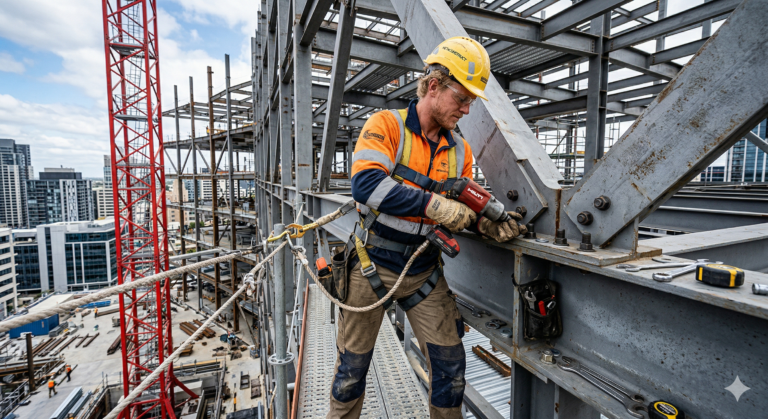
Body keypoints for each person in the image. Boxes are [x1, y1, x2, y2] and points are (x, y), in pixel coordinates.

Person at [328, 37, 525, 419]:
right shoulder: (386, 125)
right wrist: (436, 206)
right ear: (434, 85)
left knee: (450, 370)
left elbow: (464, 206)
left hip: (422, 271)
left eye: (472, 102)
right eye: (462, 98)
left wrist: (488, 223)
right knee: (351, 372)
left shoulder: (460, 152)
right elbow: (365, 185)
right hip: (372, 265)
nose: (467, 110)